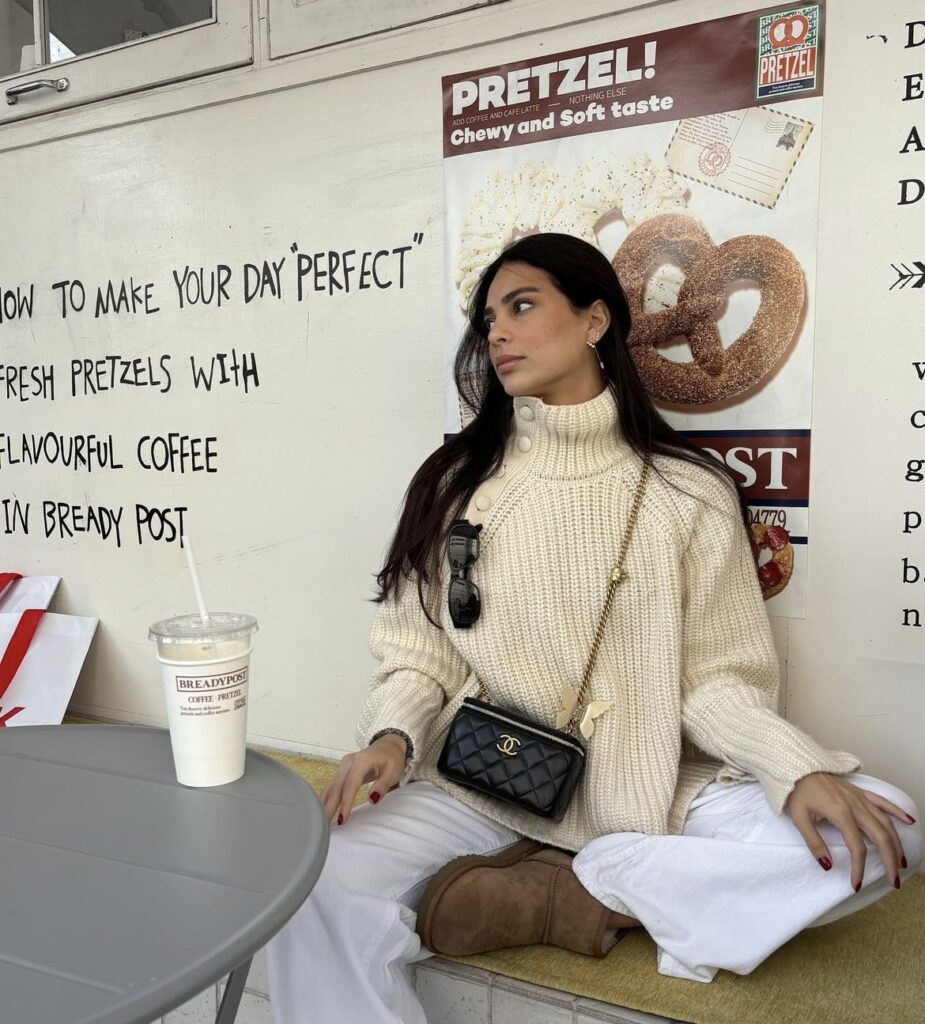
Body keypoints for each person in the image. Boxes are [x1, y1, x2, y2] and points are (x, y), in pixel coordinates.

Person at [267, 233, 922, 1020]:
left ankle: (590, 883)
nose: (496, 334)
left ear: (594, 320)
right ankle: (611, 887)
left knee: (890, 832)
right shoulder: (456, 484)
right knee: (305, 887)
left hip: (646, 787)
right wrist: (391, 739)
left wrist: (793, 768)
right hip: (482, 781)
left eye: (520, 306)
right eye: (486, 320)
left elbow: (717, 680)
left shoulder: (687, 492)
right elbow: (418, 653)